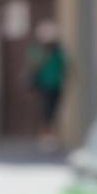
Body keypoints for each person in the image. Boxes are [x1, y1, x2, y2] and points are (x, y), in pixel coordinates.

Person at [27, 22, 68, 151]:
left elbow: (64, 65)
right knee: (45, 112)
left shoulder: (57, 50)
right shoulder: (38, 49)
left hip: (56, 85)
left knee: (53, 111)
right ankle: (45, 138)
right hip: (44, 86)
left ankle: (52, 138)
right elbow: (33, 64)